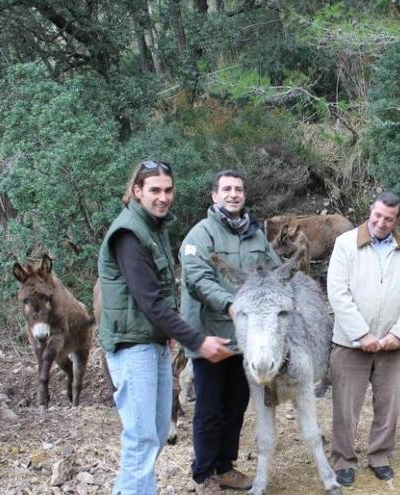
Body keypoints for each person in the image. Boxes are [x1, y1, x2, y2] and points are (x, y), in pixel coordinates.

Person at [97, 159, 233, 495]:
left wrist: (170, 340)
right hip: (132, 347)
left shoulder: (153, 227)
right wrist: (197, 341)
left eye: (168, 189)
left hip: (151, 343)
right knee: (142, 440)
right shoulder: (129, 233)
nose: (163, 197)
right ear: (137, 191)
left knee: (156, 434)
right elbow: (151, 302)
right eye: (154, 190)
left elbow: (157, 299)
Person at [179, 169, 281, 495]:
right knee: (209, 409)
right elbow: (198, 280)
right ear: (214, 196)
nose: (233, 194)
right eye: (227, 189)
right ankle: (204, 474)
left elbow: (276, 272)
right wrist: (230, 304)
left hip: (246, 340)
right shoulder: (200, 235)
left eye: (238, 189)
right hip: (210, 337)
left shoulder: (255, 235)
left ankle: (225, 467)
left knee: (236, 406)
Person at [326, 191, 400, 487]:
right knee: (345, 406)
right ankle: (343, 460)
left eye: (389, 219)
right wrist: (361, 333)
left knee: (389, 405)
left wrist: (398, 333)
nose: (381, 222)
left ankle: (380, 455)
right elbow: (337, 292)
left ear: (397, 220)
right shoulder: (345, 244)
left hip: (392, 345)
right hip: (350, 344)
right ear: (371, 210)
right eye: (377, 215)